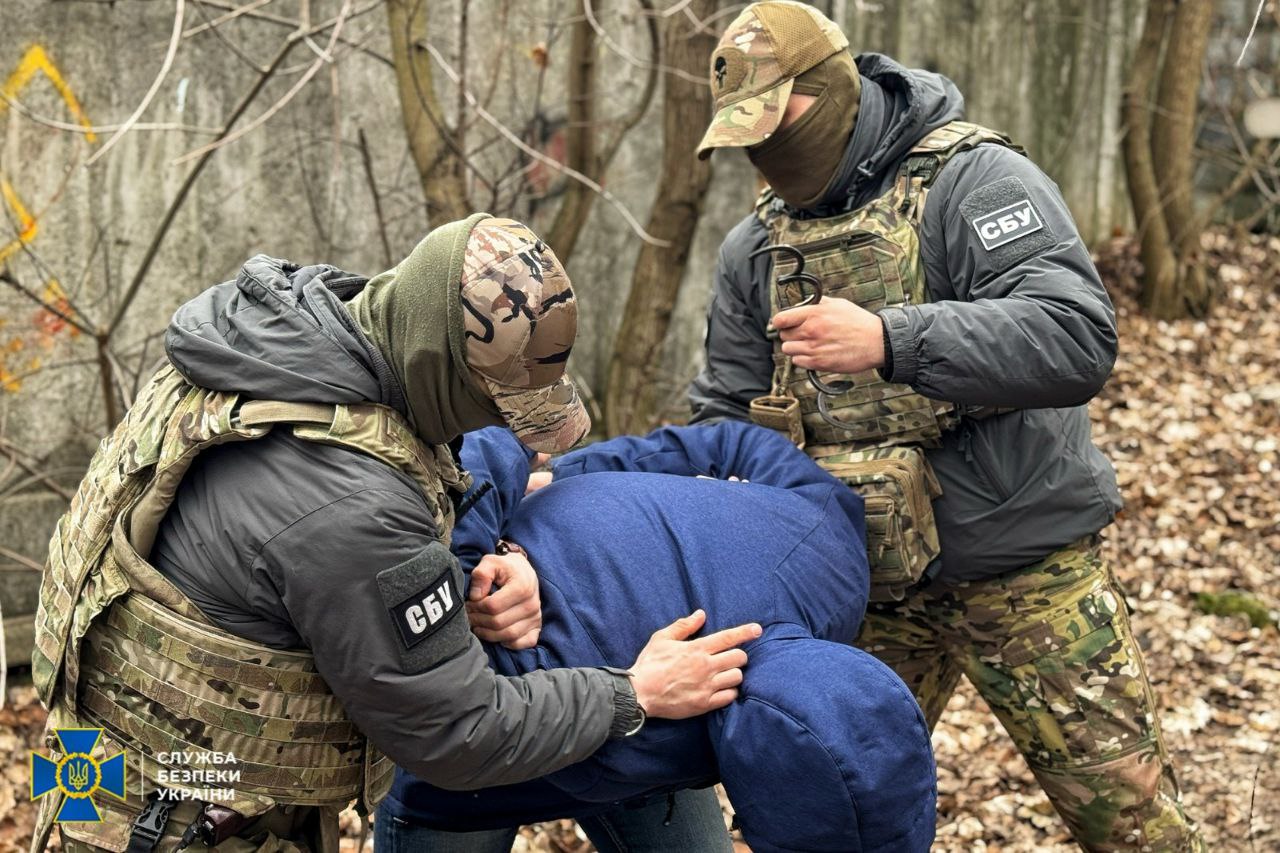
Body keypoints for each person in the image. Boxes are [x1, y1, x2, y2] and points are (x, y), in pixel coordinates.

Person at [29, 215, 757, 852]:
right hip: (178, 810)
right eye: (493, 405)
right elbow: (458, 730)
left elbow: (335, 546)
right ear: (439, 362)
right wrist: (635, 691)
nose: (498, 427)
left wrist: (484, 559)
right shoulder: (349, 505)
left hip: (89, 753)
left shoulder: (284, 338)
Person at [688, 2, 1204, 850]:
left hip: (1023, 574)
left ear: (834, 91)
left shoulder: (975, 182)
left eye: (780, 129)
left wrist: (890, 339)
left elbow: (1077, 336)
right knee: (825, 824)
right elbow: (722, 409)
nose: (771, 162)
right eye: (750, 141)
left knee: (1137, 829)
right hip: (860, 583)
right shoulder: (756, 247)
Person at [380, 422, 937, 853]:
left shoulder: (832, 561)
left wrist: (559, 486)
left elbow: (736, 443)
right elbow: (454, 718)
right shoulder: (617, 746)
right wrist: (484, 563)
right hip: (473, 766)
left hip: (608, 720)